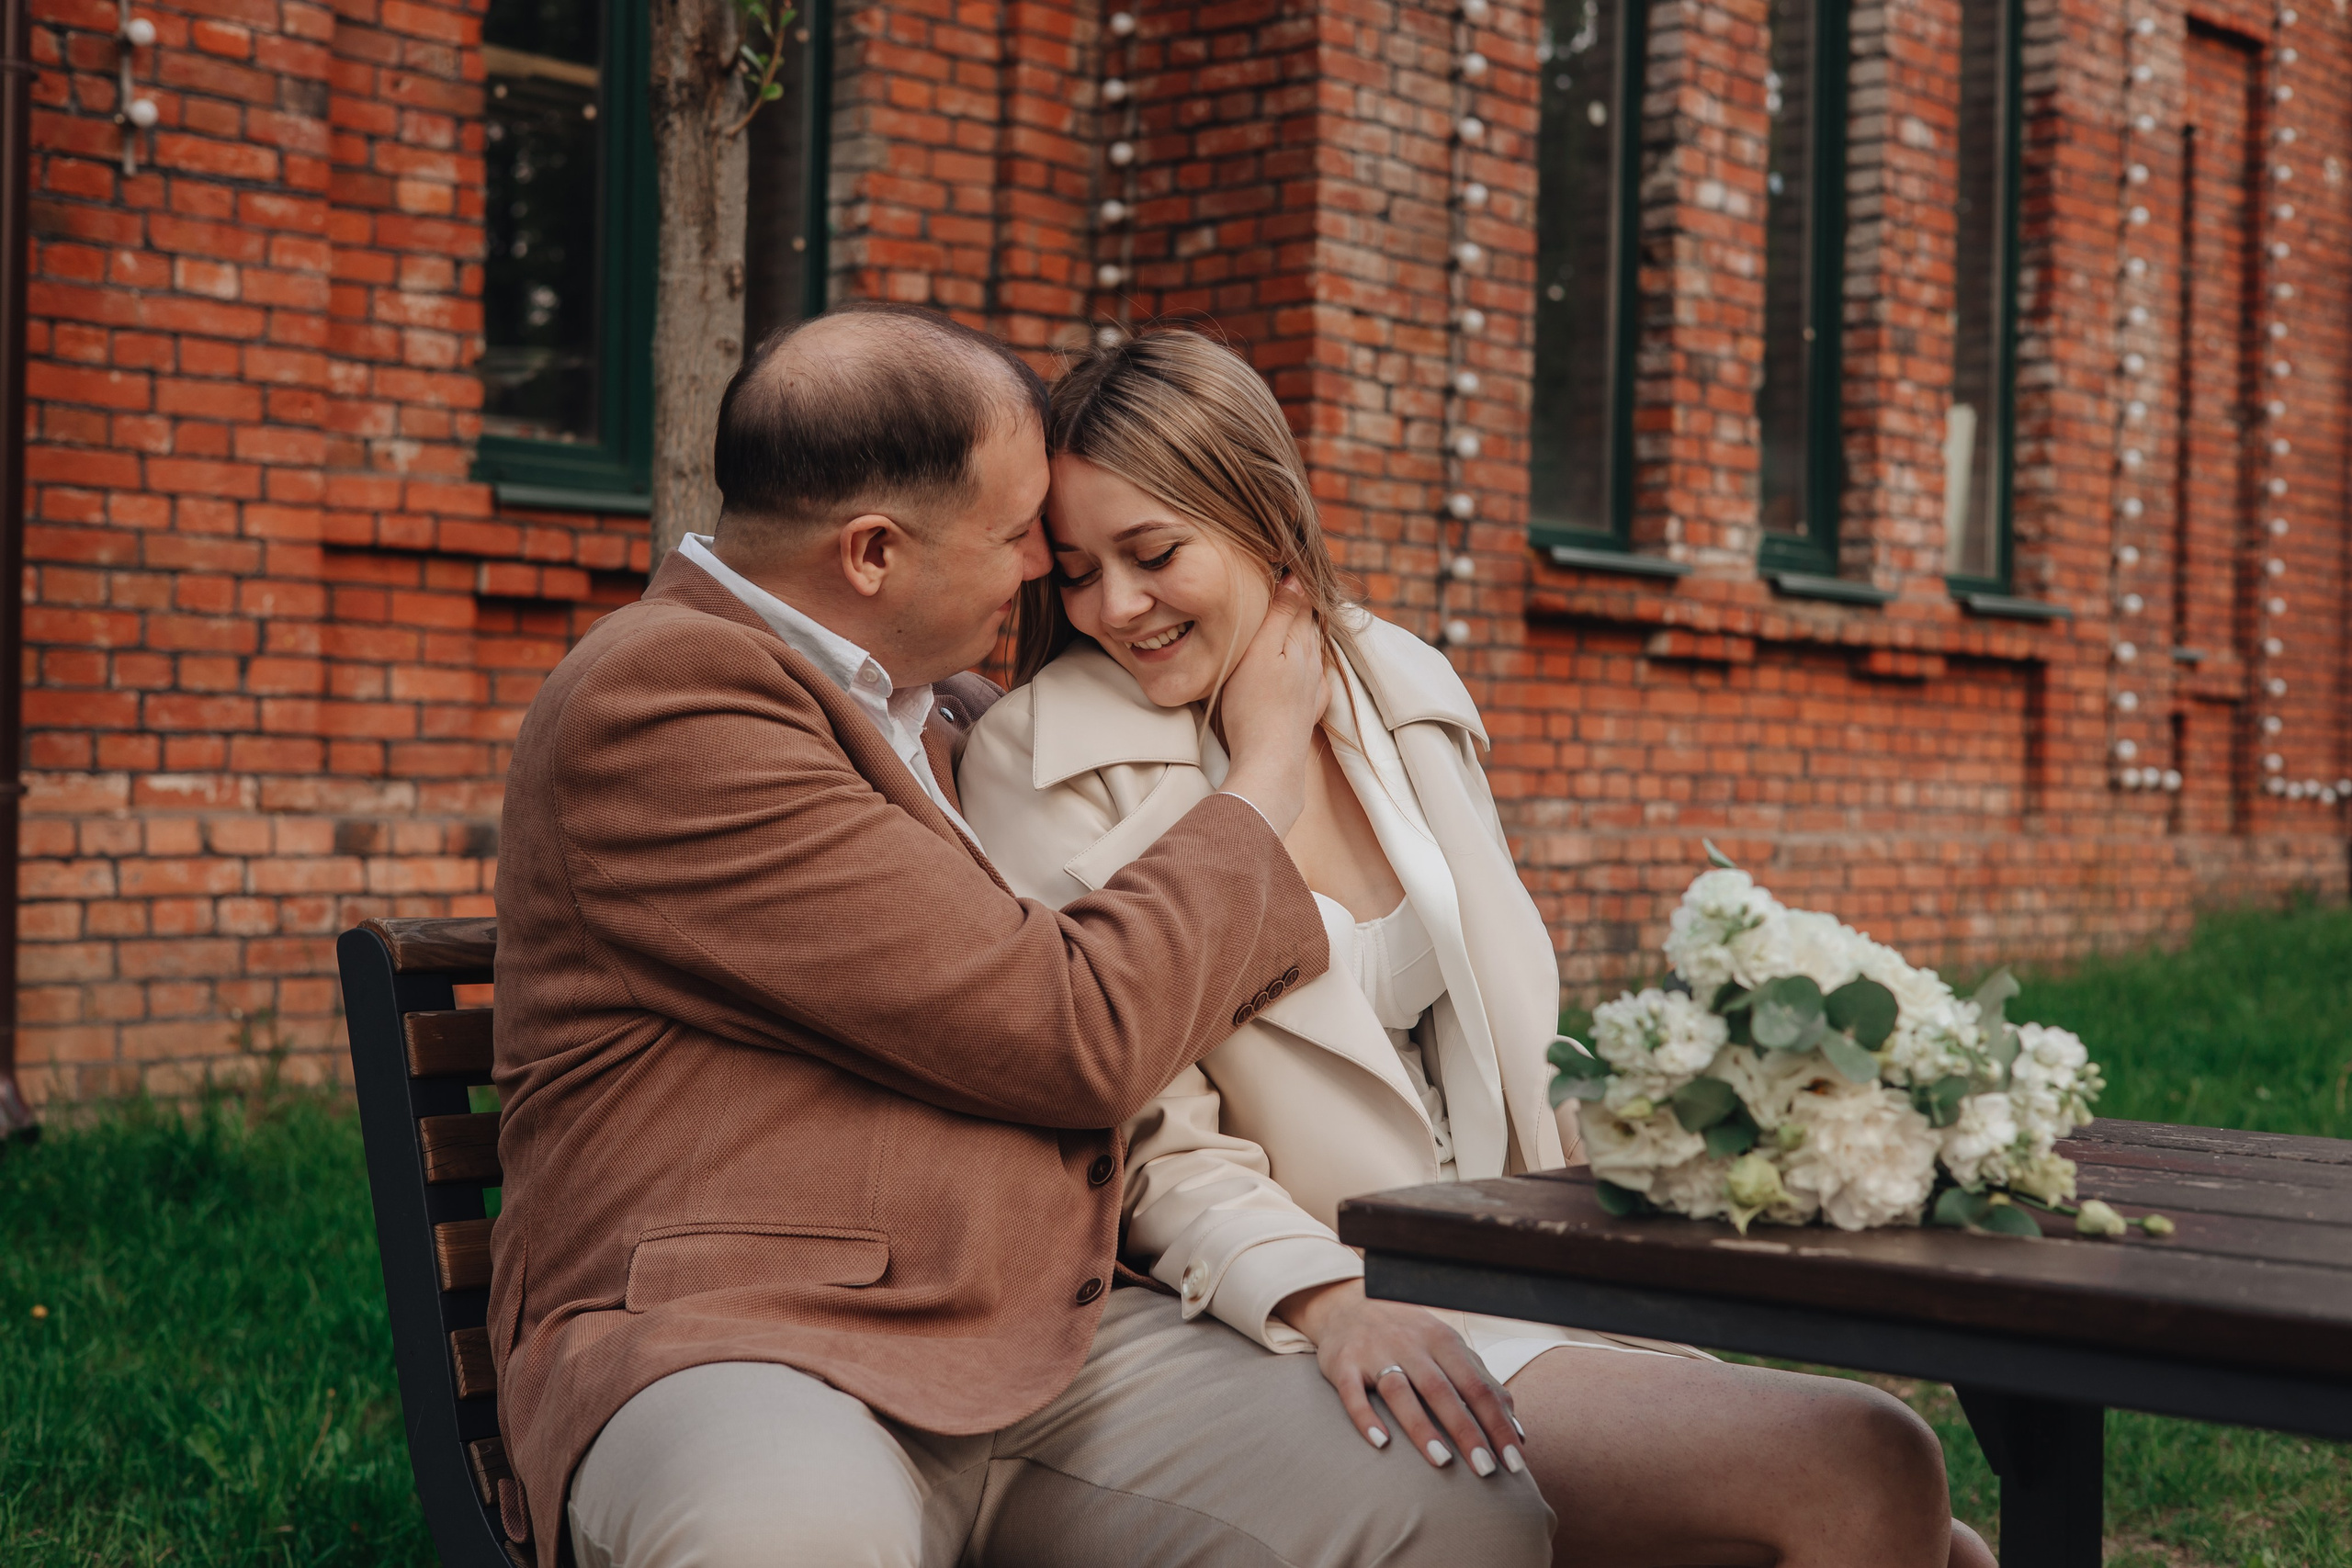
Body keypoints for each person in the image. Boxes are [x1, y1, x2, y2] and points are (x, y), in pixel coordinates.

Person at [488, 302, 1555, 1568]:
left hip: (1041, 1333)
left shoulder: (949, 723)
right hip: (750, 1334)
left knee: (1449, 1509)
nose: (1043, 576)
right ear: (874, 553)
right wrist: (1262, 767)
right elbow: (1070, 1027)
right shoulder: (664, 699)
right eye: (1015, 537)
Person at [957, 328, 1999, 1568]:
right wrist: (1328, 1302)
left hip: (1523, 1274)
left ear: (1261, 513)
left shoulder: (1402, 690)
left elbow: (1504, 1044)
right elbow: (1137, 1136)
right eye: (1076, 572)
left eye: (1153, 554)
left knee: (1946, 1545)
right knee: (1870, 1461)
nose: (1114, 607)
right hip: (1311, 1312)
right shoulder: (1041, 763)